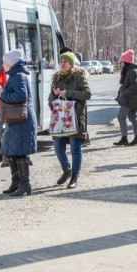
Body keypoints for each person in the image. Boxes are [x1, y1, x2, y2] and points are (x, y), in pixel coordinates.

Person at [48, 51, 91, 189]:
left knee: (75, 148)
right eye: (61, 61)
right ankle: (66, 169)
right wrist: (54, 96)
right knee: (58, 148)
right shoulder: (56, 78)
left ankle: (74, 175)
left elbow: (87, 94)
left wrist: (69, 93)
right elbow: (50, 99)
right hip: (60, 119)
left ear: (71, 63)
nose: (62, 64)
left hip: (76, 118)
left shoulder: (79, 77)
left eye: (65, 61)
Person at [0, 49, 38, 196]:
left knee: (19, 153)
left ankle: (24, 184)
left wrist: (3, 94)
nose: (3, 64)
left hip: (21, 121)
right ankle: (16, 183)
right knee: (12, 152)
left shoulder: (18, 76)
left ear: (10, 63)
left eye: (4, 62)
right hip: (18, 120)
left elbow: (21, 96)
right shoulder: (17, 75)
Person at [114, 50, 137, 146]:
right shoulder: (132, 70)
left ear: (126, 62)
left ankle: (124, 138)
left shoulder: (132, 72)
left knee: (121, 117)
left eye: (122, 61)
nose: (121, 63)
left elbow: (134, 86)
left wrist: (123, 93)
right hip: (132, 99)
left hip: (129, 99)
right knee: (132, 118)